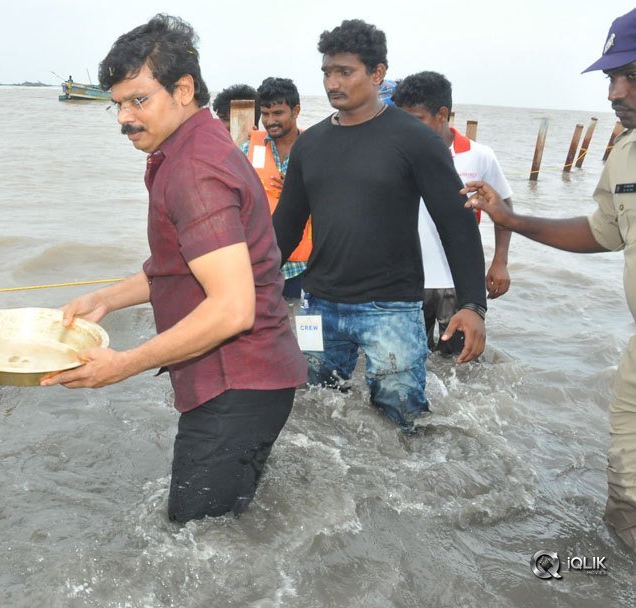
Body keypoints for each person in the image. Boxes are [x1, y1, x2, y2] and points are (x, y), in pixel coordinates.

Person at [41, 15, 306, 522]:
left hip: (237, 384)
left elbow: (231, 309)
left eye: (138, 100)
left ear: (183, 90)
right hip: (251, 380)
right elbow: (182, 267)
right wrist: (104, 299)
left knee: (196, 538)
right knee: (226, 528)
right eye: (117, 103)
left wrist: (124, 364)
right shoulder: (190, 150)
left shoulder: (193, 170)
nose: (124, 117)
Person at [463, 8, 636, 549]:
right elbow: (603, 232)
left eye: (631, 73)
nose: (615, 92)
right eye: (611, 77)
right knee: (626, 492)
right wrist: (510, 222)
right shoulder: (626, 153)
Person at [272, 20, 487, 433]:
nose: (333, 82)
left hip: (391, 309)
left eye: (345, 71)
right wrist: (248, 283)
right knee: (315, 414)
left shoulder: (414, 140)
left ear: (377, 72)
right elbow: (286, 227)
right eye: (327, 72)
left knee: (402, 422)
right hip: (319, 306)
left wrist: (473, 305)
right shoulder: (310, 144)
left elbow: (456, 224)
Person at [392, 71, 513, 355]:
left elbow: (505, 208)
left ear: (442, 114)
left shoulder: (479, 155)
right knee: (407, 360)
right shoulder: (395, 153)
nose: (408, 128)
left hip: (456, 283)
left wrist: (500, 261)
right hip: (408, 282)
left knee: (458, 367)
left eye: (417, 119)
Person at [240, 77, 311, 300]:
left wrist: (300, 190)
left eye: (278, 113)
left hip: (304, 266)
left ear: (296, 110)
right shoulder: (246, 150)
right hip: (259, 264)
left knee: (304, 333)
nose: (270, 121)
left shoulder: (315, 149)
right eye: (266, 114)